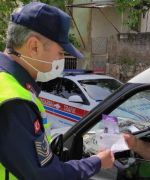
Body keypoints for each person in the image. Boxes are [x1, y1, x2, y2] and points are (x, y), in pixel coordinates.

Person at [0, 2, 114, 180]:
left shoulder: (9, 82)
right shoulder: (13, 101)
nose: (61, 60)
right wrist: (97, 162)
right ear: (34, 46)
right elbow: (45, 176)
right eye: (61, 52)